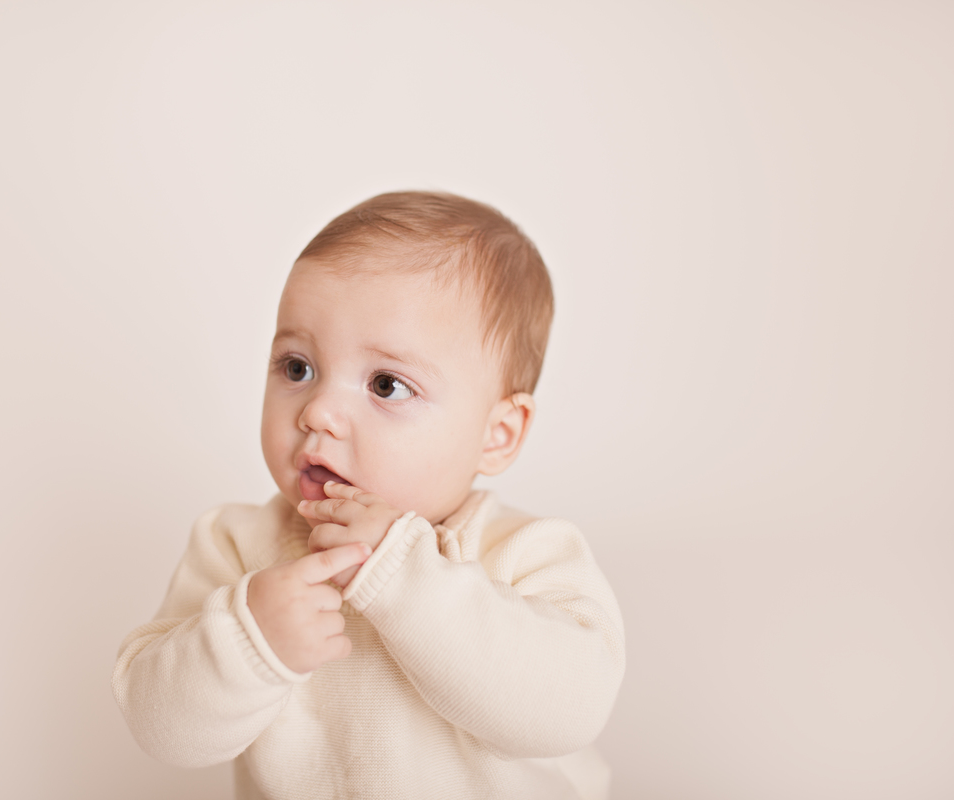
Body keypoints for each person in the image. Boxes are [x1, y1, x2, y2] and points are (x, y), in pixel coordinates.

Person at [112, 191, 626, 799]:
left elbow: (569, 711)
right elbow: (161, 729)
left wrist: (404, 575)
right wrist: (250, 642)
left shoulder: (526, 553)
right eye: (297, 367)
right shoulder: (238, 546)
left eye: (386, 384)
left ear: (496, 434)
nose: (319, 411)